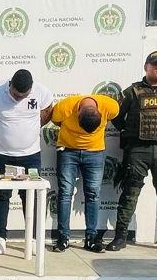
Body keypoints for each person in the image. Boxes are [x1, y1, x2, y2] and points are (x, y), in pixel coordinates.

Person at [109, 50, 157, 253]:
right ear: (146, 67)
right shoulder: (132, 91)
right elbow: (116, 116)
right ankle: (120, 237)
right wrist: (129, 133)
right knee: (130, 192)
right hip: (137, 149)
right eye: (155, 64)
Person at [0, 69, 53, 256]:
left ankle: (32, 238)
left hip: (31, 155)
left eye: (23, 96)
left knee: (30, 196)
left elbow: (48, 112)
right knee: (2, 196)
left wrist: (30, 130)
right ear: (10, 85)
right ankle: (0, 238)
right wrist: (2, 132)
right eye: (16, 95)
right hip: (2, 154)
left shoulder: (42, 92)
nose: (19, 98)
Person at [50, 92, 120, 252]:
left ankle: (91, 238)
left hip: (95, 153)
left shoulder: (110, 106)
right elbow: (55, 120)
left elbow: (115, 115)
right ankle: (63, 238)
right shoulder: (64, 107)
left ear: (101, 114)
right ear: (77, 114)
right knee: (65, 193)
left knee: (93, 194)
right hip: (68, 151)